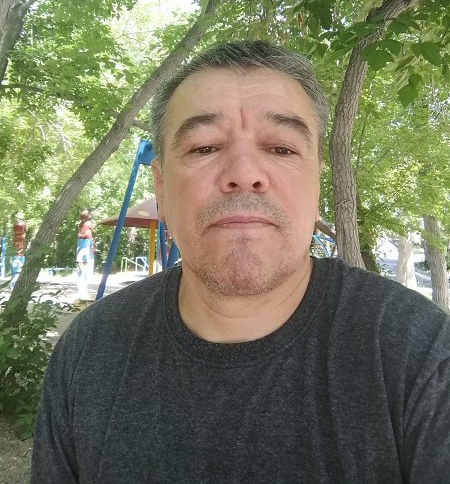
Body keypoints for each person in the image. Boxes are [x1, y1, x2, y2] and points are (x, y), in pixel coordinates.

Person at [32, 41, 450, 483]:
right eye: (205, 148)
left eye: (282, 149)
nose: (245, 173)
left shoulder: (422, 356)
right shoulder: (89, 352)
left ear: (317, 181)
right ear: (162, 187)